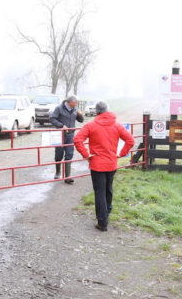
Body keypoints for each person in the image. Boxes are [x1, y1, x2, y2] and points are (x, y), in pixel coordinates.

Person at [73, 101, 134, 231]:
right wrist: (121, 154)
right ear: (107, 110)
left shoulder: (90, 125)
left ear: (96, 111)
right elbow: (130, 140)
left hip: (97, 164)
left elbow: (77, 139)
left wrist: (86, 154)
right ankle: (107, 212)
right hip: (111, 163)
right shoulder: (117, 125)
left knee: (99, 192)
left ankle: (102, 222)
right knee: (108, 189)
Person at [49, 95, 84, 184]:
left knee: (69, 154)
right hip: (59, 134)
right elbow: (52, 119)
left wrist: (80, 114)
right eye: (75, 103)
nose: (76, 105)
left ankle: (67, 176)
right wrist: (61, 125)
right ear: (69, 102)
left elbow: (81, 120)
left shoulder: (75, 110)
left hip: (70, 135)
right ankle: (58, 172)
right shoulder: (59, 108)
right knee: (58, 154)